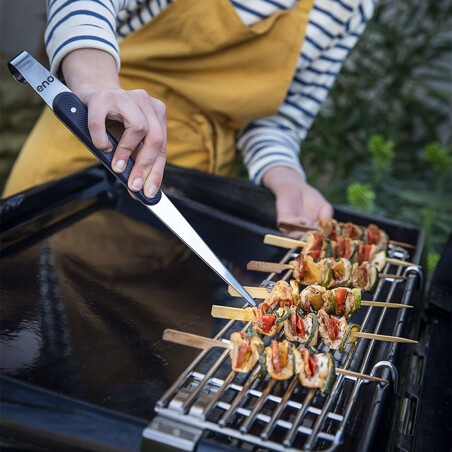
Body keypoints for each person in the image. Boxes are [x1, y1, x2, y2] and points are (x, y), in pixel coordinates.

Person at [4, 0, 374, 231]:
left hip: (198, 195)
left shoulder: (353, 5)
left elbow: (277, 118)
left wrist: (286, 177)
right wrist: (97, 82)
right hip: (96, 144)